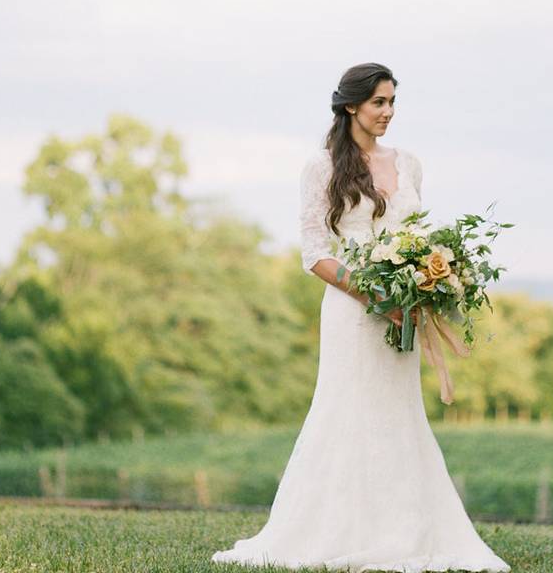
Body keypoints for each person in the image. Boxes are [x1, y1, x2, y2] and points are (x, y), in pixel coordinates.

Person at [211, 63, 511, 573]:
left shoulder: (410, 163)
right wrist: (376, 297)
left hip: (404, 313)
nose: (388, 112)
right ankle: (337, 530)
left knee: (399, 416)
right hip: (354, 314)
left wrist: (423, 281)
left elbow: (417, 232)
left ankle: (407, 530)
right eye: (378, 102)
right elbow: (313, 253)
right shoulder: (323, 166)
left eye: (393, 102)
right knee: (348, 413)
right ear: (351, 105)